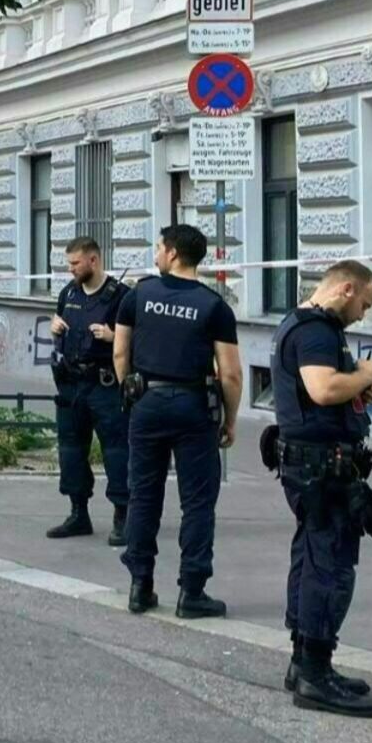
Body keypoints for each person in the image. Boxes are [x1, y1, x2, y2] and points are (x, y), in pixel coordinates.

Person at [271, 260, 372, 718]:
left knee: (312, 556)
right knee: (331, 566)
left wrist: (354, 389)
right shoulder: (317, 330)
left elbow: (325, 391)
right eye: (364, 302)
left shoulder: (302, 324)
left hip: (310, 464)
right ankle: (316, 675)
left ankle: (304, 663)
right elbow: (322, 389)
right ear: (345, 288)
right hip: (321, 469)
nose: (363, 314)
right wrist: (365, 375)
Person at [113, 224, 242, 618]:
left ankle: (140, 585)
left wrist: (130, 393)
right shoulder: (214, 305)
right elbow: (231, 374)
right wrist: (230, 420)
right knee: (198, 502)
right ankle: (192, 592)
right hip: (193, 406)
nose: (155, 254)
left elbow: (120, 353)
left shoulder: (139, 294)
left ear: (172, 253)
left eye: (158, 247)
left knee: (144, 495)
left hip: (147, 402)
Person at [45, 237, 131, 543]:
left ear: (93, 260)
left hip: (105, 385)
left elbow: (139, 341)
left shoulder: (120, 296)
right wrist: (54, 329)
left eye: (75, 263)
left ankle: (123, 516)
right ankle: (78, 513)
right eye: (69, 264)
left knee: (117, 451)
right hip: (71, 385)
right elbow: (60, 333)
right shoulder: (69, 293)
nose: (70, 269)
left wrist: (112, 337)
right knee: (71, 450)